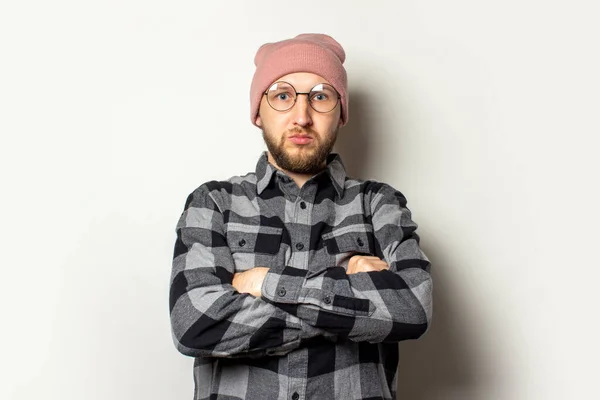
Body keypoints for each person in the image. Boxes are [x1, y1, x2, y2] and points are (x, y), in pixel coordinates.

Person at [169, 33, 432, 400]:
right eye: (282, 95)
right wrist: (347, 294)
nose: (302, 116)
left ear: (341, 112)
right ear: (258, 113)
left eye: (321, 96)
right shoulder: (214, 202)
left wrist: (264, 283)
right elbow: (194, 323)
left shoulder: (378, 203)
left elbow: (412, 307)